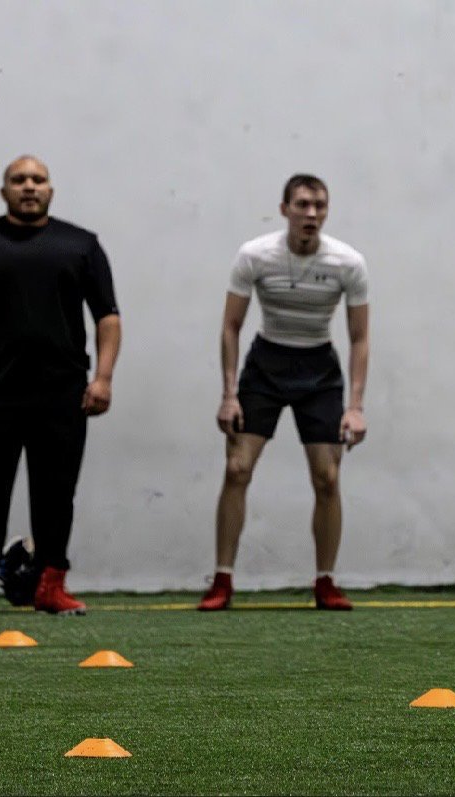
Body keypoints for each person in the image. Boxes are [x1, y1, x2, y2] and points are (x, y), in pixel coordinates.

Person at [0, 155, 121, 616]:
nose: (29, 186)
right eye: (19, 180)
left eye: (38, 179)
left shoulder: (81, 245)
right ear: (4, 192)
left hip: (62, 392)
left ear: (50, 190)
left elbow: (107, 316)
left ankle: (51, 586)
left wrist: (103, 378)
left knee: (56, 492)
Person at [199, 174, 369, 611]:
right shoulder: (255, 255)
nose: (311, 214)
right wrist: (228, 394)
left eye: (319, 206)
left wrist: (355, 407)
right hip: (266, 367)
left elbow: (360, 338)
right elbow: (231, 326)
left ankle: (326, 582)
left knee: (327, 477)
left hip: (319, 370)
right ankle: (222, 579)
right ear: (284, 209)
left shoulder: (348, 262)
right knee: (237, 468)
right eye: (302, 205)